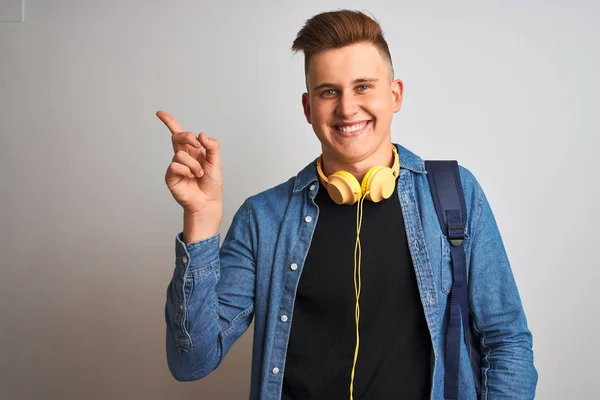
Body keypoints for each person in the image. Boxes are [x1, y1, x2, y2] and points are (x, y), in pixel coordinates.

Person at [158, 9, 538, 400]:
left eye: (362, 87)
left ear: (395, 96)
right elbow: (191, 362)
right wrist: (200, 220)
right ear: (308, 108)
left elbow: (506, 341)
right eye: (329, 91)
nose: (346, 108)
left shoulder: (454, 194)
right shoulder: (263, 218)